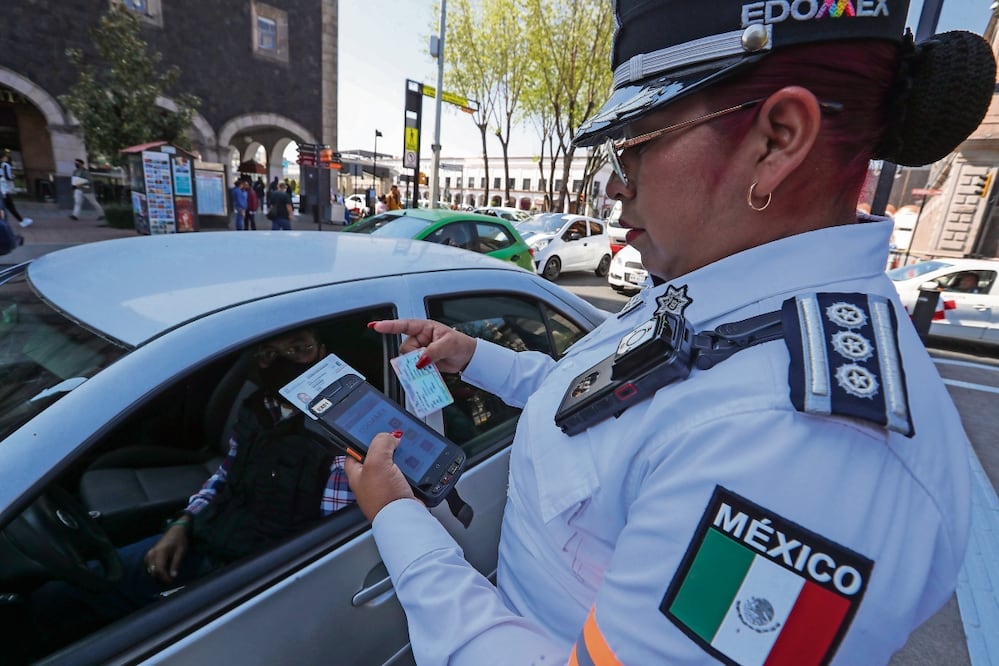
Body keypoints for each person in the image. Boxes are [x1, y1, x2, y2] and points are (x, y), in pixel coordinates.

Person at [347, 2, 995, 664]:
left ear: (776, 140)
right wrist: (471, 355)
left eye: (633, 145)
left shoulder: (803, 450)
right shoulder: (716, 288)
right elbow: (603, 408)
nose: (611, 186)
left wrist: (403, 525)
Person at [30, 326, 354, 650]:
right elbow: (225, 474)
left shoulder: (338, 444)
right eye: (269, 354)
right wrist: (182, 522)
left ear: (322, 352)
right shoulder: (260, 407)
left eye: (299, 348)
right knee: (54, 598)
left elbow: (331, 546)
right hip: (203, 536)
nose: (285, 361)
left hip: (248, 582)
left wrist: (226, 593)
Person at [0, 151, 32, 228]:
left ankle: (21, 221)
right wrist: (13, 177)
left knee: (6, 206)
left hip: (2, 189)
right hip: (4, 190)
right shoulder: (6, 165)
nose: (7, 157)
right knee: (9, 206)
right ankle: (21, 221)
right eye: (6, 156)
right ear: (3, 157)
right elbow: (8, 177)